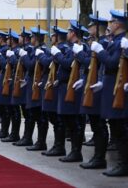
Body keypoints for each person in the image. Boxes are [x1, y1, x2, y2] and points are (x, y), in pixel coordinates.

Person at [90, 10, 128, 176]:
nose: (109, 24)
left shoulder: (122, 42)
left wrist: (100, 51)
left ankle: (124, 164)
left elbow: (112, 63)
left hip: (117, 87)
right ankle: (122, 163)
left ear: (118, 24)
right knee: (116, 126)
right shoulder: (117, 41)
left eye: (111, 22)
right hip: (111, 86)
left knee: (120, 128)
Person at [51, 20, 88, 162]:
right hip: (66, 85)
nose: (67, 33)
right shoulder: (73, 47)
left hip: (74, 87)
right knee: (69, 121)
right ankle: (72, 151)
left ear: (73, 33)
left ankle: (76, 152)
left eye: (68, 31)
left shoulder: (78, 47)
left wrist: (58, 55)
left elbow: (67, 64)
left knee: (74, 122)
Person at [77, 15, 109, 169]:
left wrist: (80, 53)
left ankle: (99, 158)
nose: (89, 28)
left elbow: (93, 63)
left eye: (91, 25)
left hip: (97, 86)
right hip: (92, 83)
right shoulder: (98, 43)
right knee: (96, 124)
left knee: (99, 124)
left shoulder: (103, 44)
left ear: (97, 27)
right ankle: (97, 156)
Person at [40, 27, 68, 157]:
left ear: (57, 37)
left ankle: (59, 146)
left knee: (57, 119)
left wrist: (41, 55)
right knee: (54, 117)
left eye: (53, 36)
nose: (50, 38)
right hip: (52, 84)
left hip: (56, 85)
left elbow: (47, 62)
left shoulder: (62, 49)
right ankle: (57, 145)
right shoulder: (56, 49)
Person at [13, 29, 34, 147]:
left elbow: (29, 66)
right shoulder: (24, 49)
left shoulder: (29, 49)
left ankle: (28, 137)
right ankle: (26, 137)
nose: (18, 38)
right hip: (24, 82)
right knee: (26, 112)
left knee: (28, 113)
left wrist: (23, 55)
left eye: (20, 36)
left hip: (28, 83)